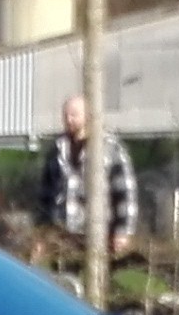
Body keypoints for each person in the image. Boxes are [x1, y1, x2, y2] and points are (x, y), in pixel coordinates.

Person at [39, 94, 137, 254]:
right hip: (61, 235)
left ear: (88, 116)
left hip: (97, 235)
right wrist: (42, 232)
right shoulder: (56, 150)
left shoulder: (110, 148)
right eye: (66, 115)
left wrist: (122, 231)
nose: (69, 120)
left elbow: (125, 192)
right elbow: (45, 194)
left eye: (74, 115)